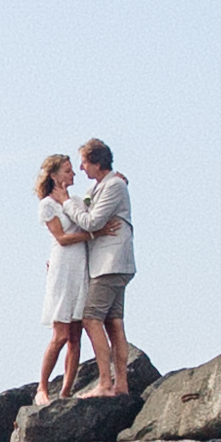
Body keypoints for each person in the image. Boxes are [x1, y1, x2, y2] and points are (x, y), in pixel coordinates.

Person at [62, 139, 136, 395]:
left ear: (96, 161)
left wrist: (66, 203)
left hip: (110, 264)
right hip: (113, 264)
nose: (81, 168)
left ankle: (105, 382)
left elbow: (92, 221)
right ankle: (121, 384)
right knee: (114, 322)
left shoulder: (113, 186)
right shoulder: (106, 186)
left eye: (84, 162)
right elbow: (89, 205)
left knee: (91, 318)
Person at [32, 154, 95, 403]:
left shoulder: (74, 200)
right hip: (63, 266)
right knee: (60, 333)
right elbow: (62, 237)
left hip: (80, 266)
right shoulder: (47, 204)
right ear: (55, 175)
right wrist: (93, 235)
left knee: (76, 334)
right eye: (68, 171)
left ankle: (67, 389)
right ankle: (42, 388)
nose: (73, 175)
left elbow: (90, 203)